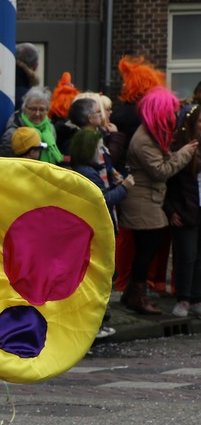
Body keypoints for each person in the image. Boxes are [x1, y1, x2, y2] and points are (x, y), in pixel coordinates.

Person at [119, 87, 199, 314]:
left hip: (149, 200)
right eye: (171, 111)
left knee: (147, 249)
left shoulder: (151, 135)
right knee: (146, 250)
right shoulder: (144, 140)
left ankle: (132, 293)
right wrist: (185, 152)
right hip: (143, 203)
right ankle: (137, 296)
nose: (174, 115)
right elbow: (161, 171)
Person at [69, 127, 133, 337]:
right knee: (100, 278)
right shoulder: (88, 173)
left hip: (91, 232)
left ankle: (98, 322)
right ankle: (95, 325)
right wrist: (124, 187)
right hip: (95, 233)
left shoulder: (87, 169)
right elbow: (102, 202)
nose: (101, 152)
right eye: (98, 148)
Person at [166, 104, 201, 319]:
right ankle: (183, 298)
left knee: (199, 258)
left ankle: (196, 298)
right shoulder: (181, 147)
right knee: (186, 256)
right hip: (185, 210)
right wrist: (171, 210)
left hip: (197, 208)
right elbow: (169, 183)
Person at [0, 87, 59, 162]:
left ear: (47, 110)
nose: (37, 114)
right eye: (33, 109)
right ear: (24, 108)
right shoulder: (13, 133)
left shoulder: (50, 129)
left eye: (42, 109)